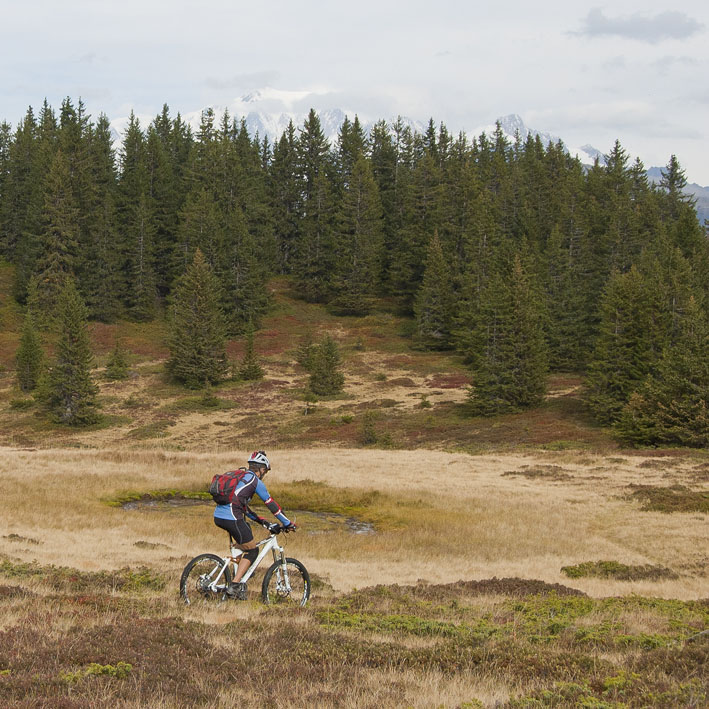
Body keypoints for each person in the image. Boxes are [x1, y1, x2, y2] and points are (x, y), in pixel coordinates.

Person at [213, 450, 296, 599]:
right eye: (265, 471)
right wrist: (287, 523)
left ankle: (236, 567)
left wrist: (263, 522)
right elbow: (271, 504)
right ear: (262, 469)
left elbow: (244, 508)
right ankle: (235, 584)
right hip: (232, 517)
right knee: (252, 550)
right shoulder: (255, 481)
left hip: (219, 516)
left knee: (246, 535)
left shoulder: (242, 477)